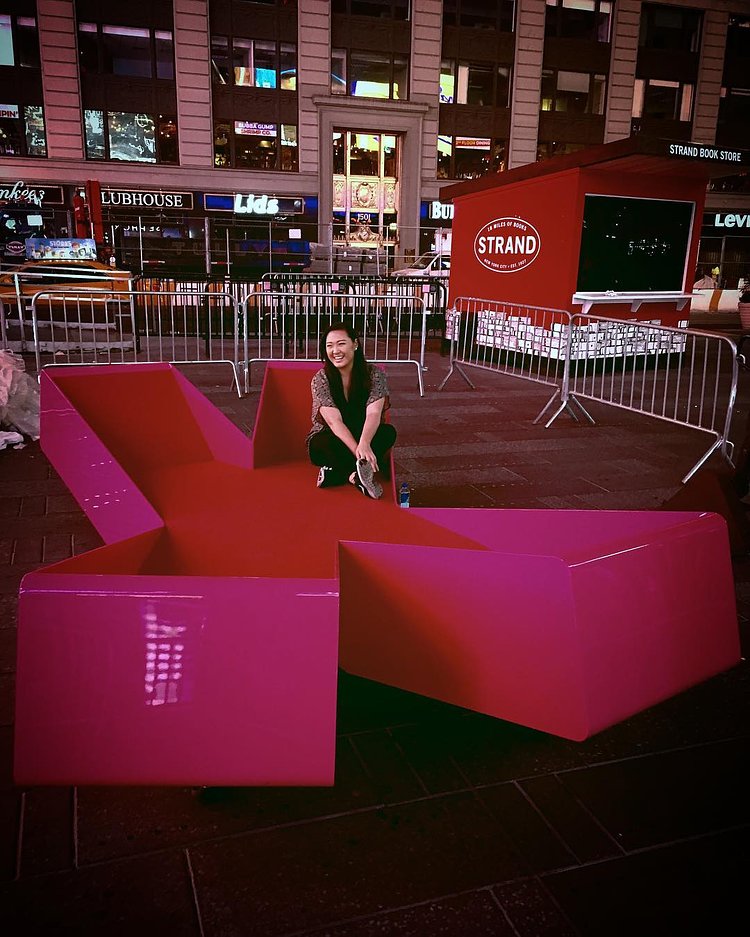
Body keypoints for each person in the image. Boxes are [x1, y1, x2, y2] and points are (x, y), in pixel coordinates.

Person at [307, 321, 396, 499]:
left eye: (341, 344)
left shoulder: (374, 374)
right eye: (329, 346)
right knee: (319, 445)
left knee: (388, 433)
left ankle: (336, 473)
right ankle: (356, 475)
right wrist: (359, 451)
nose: (335, 351)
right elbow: (334, 422)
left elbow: (374, 413)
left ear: (355, 344)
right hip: (334, 436)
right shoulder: (321, 379)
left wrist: (365, 442)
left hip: (365, 432)